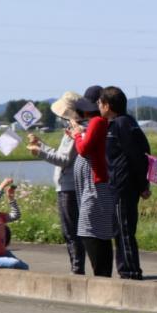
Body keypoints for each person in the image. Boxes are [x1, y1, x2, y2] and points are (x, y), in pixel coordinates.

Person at [27, 91, 86, 274]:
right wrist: (41, 145)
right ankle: (77, 267)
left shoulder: (74, 132)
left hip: (68, 188)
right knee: (72, 231)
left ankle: (76, 269)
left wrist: (40, 152)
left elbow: (63, 160)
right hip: (70, 186)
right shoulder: (74, 130)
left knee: (71, 232)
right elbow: (63, 156)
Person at [100, 86, 151, 280]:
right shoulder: (125, 122)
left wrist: (143, 185)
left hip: (124, 186)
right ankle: (125, 269)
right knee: (120, 230)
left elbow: (138, 156)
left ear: (107, 105)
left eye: (100, 103)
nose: (99, 107)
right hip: (120, 185)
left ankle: (130, 272)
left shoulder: (122, 125)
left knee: (124, 231)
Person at [69, 85, 118, 277]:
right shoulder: (99, 123)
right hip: (96, 184)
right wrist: (80, 134)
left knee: (90, 230)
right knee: (97, 231)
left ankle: (101, 275)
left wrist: (77, 135)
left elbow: (83, 149)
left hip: (96, 185)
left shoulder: (97, 122)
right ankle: (103, 274)